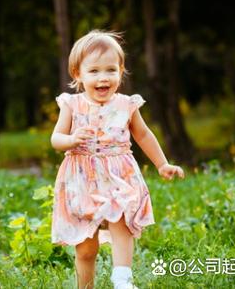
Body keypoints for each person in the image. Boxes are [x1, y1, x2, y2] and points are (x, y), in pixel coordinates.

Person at [50, 30, 185, 289]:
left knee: (121, 215)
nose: (103, 77)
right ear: (78, 74)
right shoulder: (72, 105)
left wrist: (162, 163)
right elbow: (56, 138)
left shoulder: (126, 105)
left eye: (111, 70)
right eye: (94, 71)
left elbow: (143, 135)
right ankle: (85, 286)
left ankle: (122, 279)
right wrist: (71, 139)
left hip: (118, 174)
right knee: (87, 248)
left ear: (121, 72)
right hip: (81, 178)